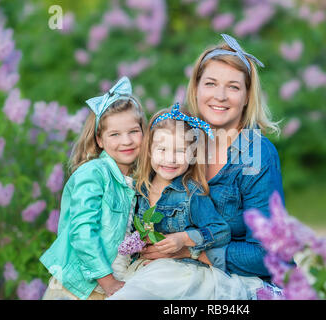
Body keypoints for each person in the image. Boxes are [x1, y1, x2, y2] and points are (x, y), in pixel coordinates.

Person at [141, 34, 291, 298]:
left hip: (244, 279)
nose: (220, 96)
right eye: (211, 83)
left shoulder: (256, 153)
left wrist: (190, 249)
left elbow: (268, 253)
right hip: (181, 271)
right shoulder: (181, 143)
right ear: (196, 89)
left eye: (233, 87)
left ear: (246, 97)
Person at [107, 103, 264, 300]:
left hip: (179, 271)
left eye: (180, 151)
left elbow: (221, 231)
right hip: (145, 268)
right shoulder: (138, 190)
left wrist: (183, 239)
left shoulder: (191, 193)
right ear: (149, 150)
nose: (170, 159)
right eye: (162, 149)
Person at [39, 77, 147, 300]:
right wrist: (107, 281)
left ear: (144, 133)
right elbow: (82, 231)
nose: (126, 141)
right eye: (114, 134)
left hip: (114, 282)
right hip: (80, 287)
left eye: (133, 131)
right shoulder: (94, 173)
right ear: (99, 139)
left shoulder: (137, 180)